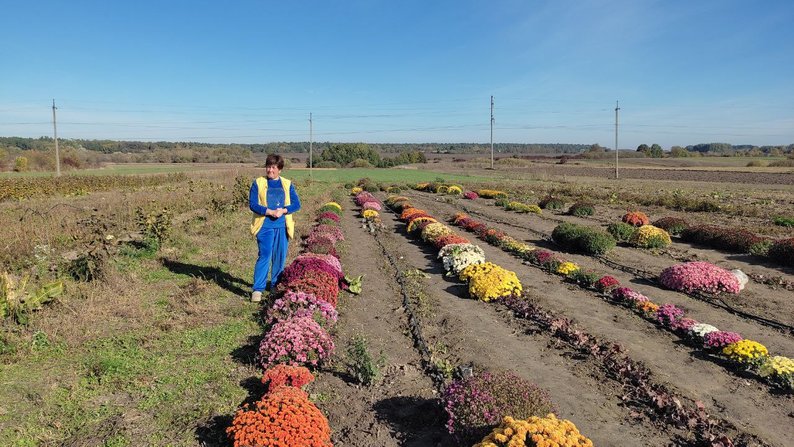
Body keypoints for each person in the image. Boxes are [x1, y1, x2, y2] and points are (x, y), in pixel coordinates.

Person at [249, 154, 301, 302]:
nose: (270, 170)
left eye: (273, 167)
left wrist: (283, 210)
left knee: (279, 257)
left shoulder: (287, 184)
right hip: (264, 226)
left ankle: (275, 286)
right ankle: (257, 290)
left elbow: (297, 204)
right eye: (268, 166)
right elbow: (252, 204)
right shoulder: (257, 183)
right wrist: (269, 211)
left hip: (282, 226)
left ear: (280, 169)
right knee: (264, 255)